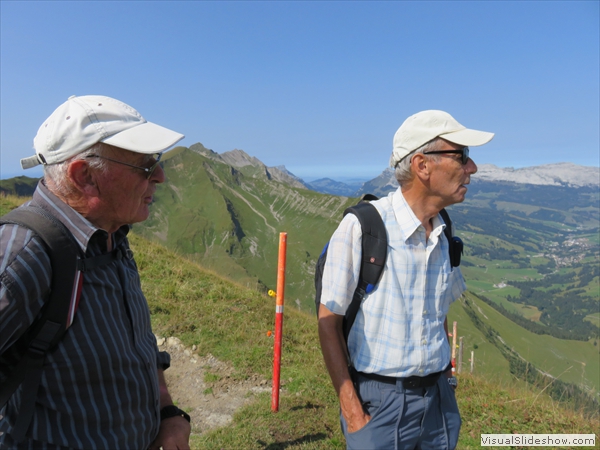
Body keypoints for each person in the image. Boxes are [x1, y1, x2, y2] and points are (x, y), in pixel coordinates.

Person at [0, 95, 191, 449]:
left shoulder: (110, 236)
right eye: (146, 166)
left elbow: (142, 345)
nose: (161, 176)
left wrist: (167, 413)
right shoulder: (22, 257)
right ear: (85, 176)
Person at [318, 110, 494, 450]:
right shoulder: (363, 228)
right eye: (462, 156)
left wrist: (445, 378)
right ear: (422, 165)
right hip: (380, 403)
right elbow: (328, 323)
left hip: (437, 401)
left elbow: (438, 311)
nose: (471, 168)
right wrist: (354, 414)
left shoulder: (443, 231)